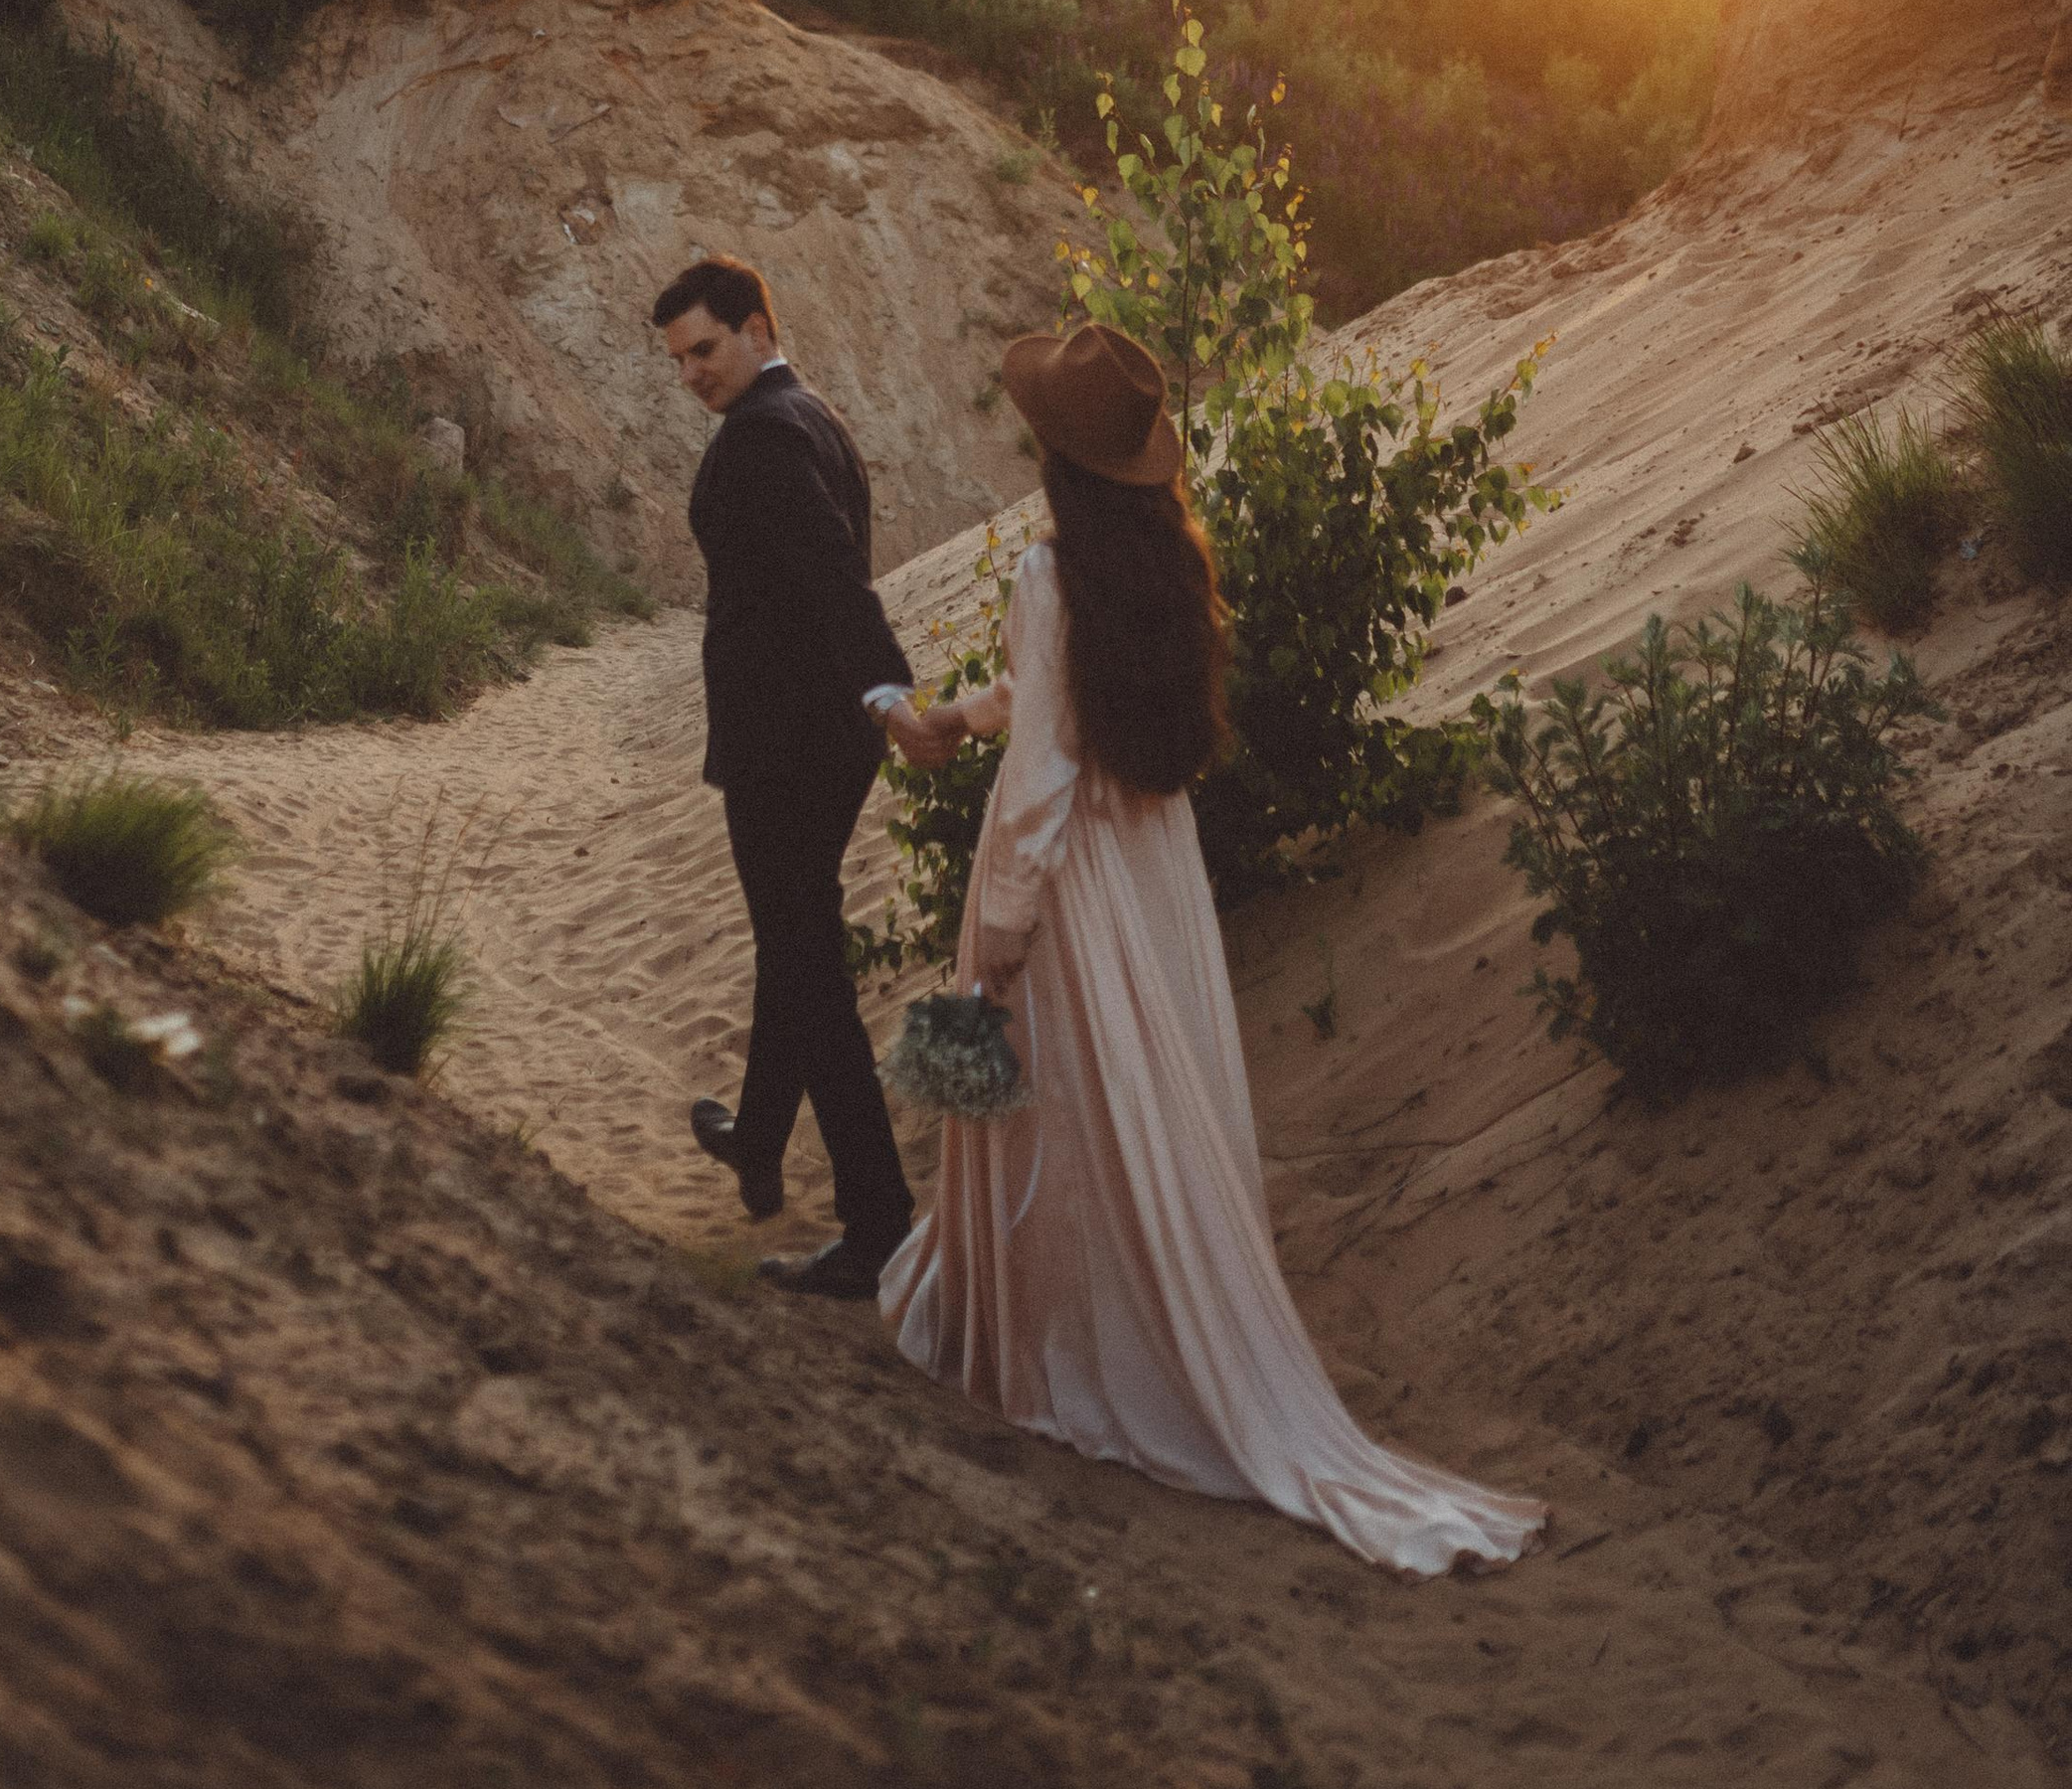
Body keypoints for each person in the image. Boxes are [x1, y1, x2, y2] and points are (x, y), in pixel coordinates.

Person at [877, 319, 1547, 1577]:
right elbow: (1057, 699)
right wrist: (961, 715)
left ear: (1053, 458)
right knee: (1136, 1111)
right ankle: (1134, 1317)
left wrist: (1002, 942)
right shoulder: (1163, 560)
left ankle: (1068, 1344)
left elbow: (1041, 783)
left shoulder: (1048, 573)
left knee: (1059, 1120)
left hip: (1073, 884)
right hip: (1154, 871)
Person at [656, 254, 920, 1300]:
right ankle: (759, 1136)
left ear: (759, 324)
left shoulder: (762, 437)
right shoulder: (817, 415)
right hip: (819, 739)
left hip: (788, 748)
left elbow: (828, 572)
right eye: (677, 360)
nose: (692, 376)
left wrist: (887, 688)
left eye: (706, 350)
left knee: (808, 970)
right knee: (795, 936)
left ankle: (878, 1226)